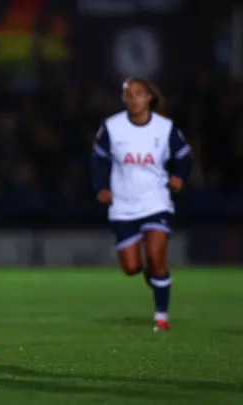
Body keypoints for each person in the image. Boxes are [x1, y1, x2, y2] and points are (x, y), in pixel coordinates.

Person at [90, 77, 193, 331]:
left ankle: (161, 317)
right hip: (123, 206)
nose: (134, 98)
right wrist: (101, 187)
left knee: (157, 256)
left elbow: (184, 156)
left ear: (149, 97)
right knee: (132, 267)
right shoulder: (112, 127)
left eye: (139, 93)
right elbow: (98, 159)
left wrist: (179, 175)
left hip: (156, 202)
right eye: (129, 94)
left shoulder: (164, 128)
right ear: (124, 99)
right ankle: (156, 276)